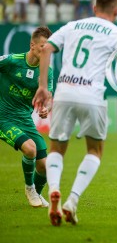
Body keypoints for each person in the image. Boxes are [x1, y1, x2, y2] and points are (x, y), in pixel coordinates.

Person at [32, 0, 117, 226]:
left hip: (64, 92)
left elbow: (47, 48)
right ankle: (72, 200)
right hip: (92, 96)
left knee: (57, 149)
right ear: (116, 10)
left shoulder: (73, 26)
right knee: (94, 151)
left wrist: (43, 87)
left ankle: (54, 191)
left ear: (94, 8)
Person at [0, 26, 53, 207]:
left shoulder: (47, 71)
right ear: (32, 45)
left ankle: (36, 194)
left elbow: (48, 97)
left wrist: (46, 107)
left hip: (25, 120)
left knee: (46, 166)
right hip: (3, 117)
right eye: (42, 46)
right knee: (30, 149)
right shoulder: (12, 61)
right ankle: (30, 189)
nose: (45, 51)